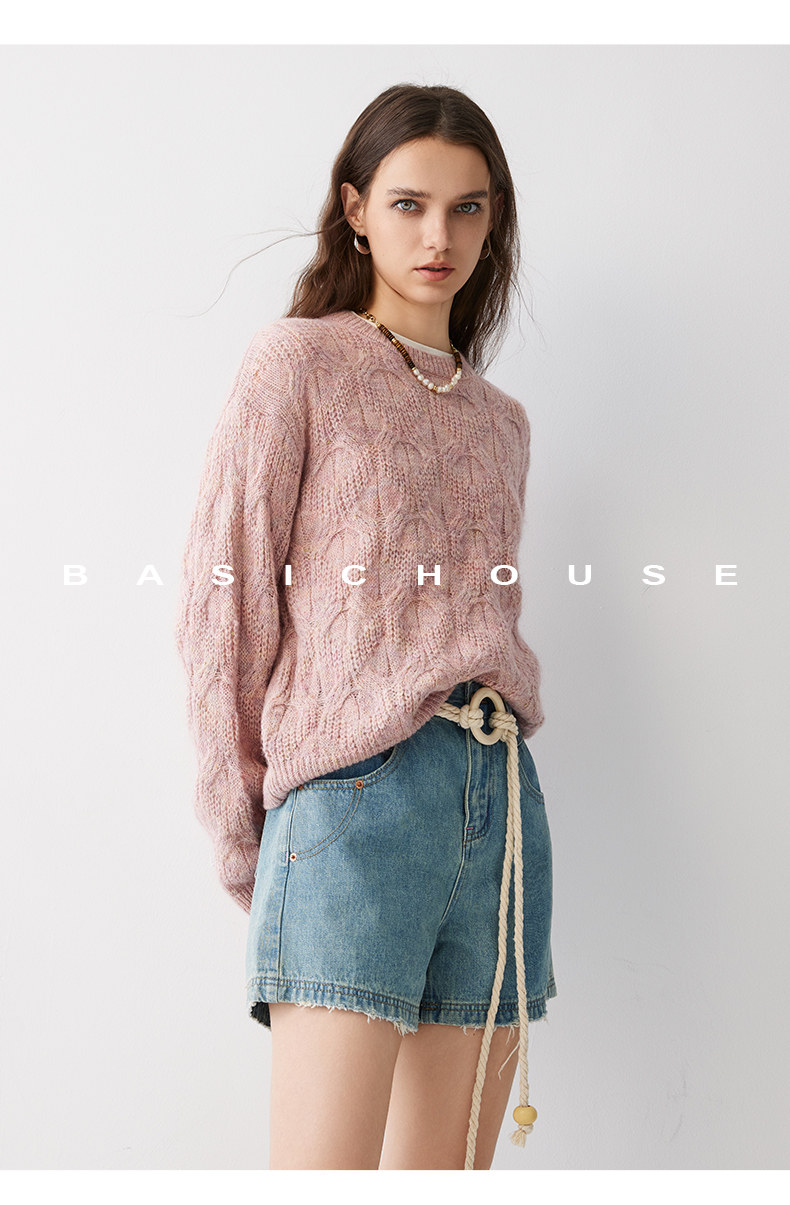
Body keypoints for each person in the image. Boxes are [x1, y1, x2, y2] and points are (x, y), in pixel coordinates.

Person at [174, 82, 557, 1171]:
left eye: (468, 208)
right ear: (354, 208)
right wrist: (247, 829)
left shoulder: (501, 423)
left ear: (493, 219)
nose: (439, 237)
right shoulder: (297, 364)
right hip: (351, 799)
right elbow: (223, 601)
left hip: (500, 802)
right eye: (408, 204)